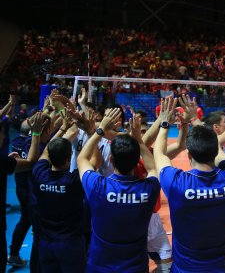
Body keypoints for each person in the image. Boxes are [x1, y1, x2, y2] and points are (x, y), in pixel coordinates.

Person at [154, 96, 225, 272]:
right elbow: (216, 145)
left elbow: (159, 153)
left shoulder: (177, 183)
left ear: (189, 156)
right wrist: (195, 120)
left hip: (186, 269)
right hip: (221, 267)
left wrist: (164, 123)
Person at [77, 108, 160, 272]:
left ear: (110, 159)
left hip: (100, 267)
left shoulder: (97, 187)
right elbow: (153, 169)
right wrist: (139, 140)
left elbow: (82, 159)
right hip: (135, 267)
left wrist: (98, 130)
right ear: (137, 161)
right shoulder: (148, 190)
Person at [31, 115, 85, 273]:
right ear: (69, 158)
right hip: (70, 244)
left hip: (46, 243)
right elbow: (90, 160)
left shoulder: (39, 173)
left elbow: (45, 154)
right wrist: (92, 131)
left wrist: (64, 131)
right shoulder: (73, 181)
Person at [0, 112, 43, 272]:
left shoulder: (13, 148)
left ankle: (14, 253)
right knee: (27, 221)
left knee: (25, 220)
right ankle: (14, 253)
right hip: (27, 192)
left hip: (21, 189)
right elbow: (31, 161)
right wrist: (37, 133)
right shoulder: (5, 158)